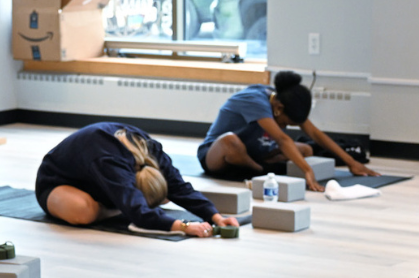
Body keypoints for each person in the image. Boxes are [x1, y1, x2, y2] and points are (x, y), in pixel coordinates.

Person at [37, 122, 241, 237]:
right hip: (60, 182)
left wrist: (215, 216)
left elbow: (179, 188)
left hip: (101, 178)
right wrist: (184, 226)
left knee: (165, 195)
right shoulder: (110, 163)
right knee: (83, 212)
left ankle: (122, 203)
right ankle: (119, 206)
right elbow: (139, 215)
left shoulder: (152, 150)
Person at [197, 70, 376, 192]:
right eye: (286, 123)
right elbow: (282, 139)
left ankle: (258, 166)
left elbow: (315, 134)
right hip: (217, 155)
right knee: (230, 142)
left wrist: (351, 162)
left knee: (305, 149)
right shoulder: (254, 100)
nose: (284, 126)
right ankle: (259, 169)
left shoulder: (285, 99)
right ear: (279, 108)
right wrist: (307, 170)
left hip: (253, 151)